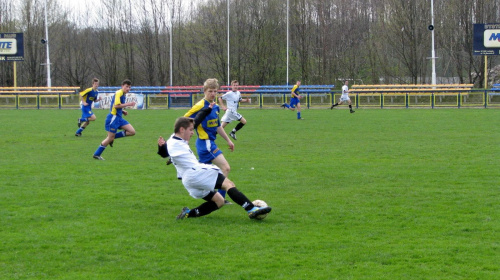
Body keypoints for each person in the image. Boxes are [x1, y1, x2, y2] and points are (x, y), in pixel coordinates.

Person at [158, 116, 272, 220]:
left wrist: (163, 149)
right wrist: (164, 150)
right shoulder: (174, 143)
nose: (192, 133)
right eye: (190, 130)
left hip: (189, 179)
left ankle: (188, 213)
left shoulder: (174, 139)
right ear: (182, 130)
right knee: (228, 184)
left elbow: (166, 152)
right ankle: (252, 209)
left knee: (219, 201)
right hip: (196, 174)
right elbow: (168, 152)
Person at [184, 78, 234, 202]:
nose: (212, 94)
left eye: (215, 91)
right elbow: (184, 120)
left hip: (208, 143)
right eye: (210, 91)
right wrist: (185, 137)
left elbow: (217, 126)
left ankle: (212, 196)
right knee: (225, 168)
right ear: (204, 91)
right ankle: (220, 198)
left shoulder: (216, 107)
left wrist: (228, 140)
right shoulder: (200, 105)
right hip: (205, 143)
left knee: (202, 174)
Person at [92, 79, 136, 160]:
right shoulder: (119, 93)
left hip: (119, 118)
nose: (128, 89)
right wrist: (128, 104)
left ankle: (111, 137)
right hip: (113, 118)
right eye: (126, 87)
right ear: (122, 86)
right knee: (109, 138)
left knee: (132, 132)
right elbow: (116, 106)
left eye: (129, 87)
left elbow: (114, 105)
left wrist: (122, 111)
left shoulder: (123, 93)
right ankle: (97, 154)